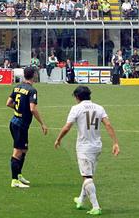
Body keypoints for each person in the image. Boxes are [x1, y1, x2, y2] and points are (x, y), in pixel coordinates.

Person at [54, 86, 120, 215]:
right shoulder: (99, 108)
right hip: (97, 146)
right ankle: (81, 199)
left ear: (77, 97)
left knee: (87, 177)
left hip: (84, 147)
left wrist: (58, 139)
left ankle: (96, 206)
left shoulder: (76, 108)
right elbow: (108, 124)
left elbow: (67, 127)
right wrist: (115, 142)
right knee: (88, 175)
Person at [7, 66, 48, 188]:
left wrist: (18, 109)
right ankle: (14, 181)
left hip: (14, 121)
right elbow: (32, 108)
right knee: (17, 151)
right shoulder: (32, 90)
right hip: (21, 125)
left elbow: (8, 103)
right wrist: (42, 123)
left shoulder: (17, 87)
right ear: (34, 75)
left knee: (24, 149)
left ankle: (18, 175)